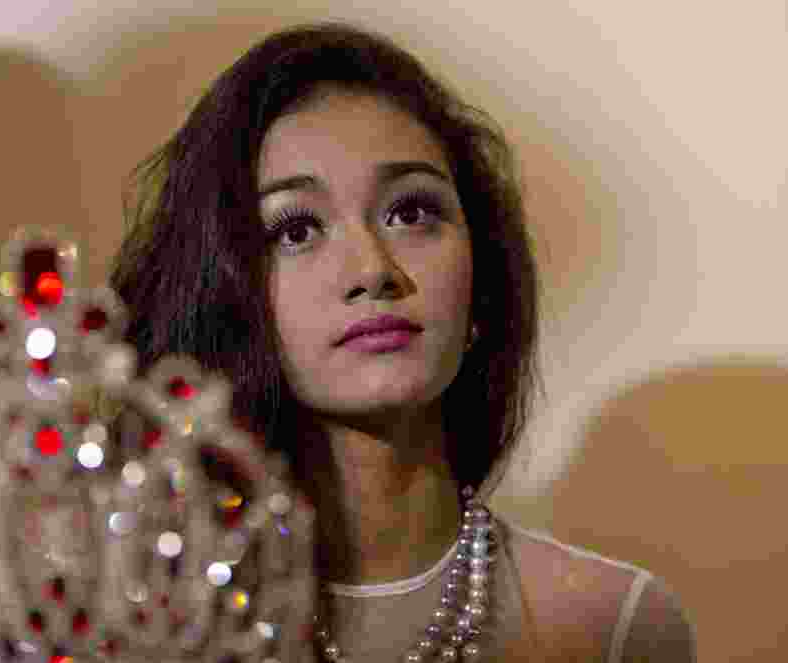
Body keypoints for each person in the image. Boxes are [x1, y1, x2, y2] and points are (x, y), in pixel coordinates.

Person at [108, 19, 695, 662]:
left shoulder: (615, 625)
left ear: (483, 280)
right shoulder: (140, 621)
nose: (373, 271)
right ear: (222, 287)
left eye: (412, 213)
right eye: (297, 229)